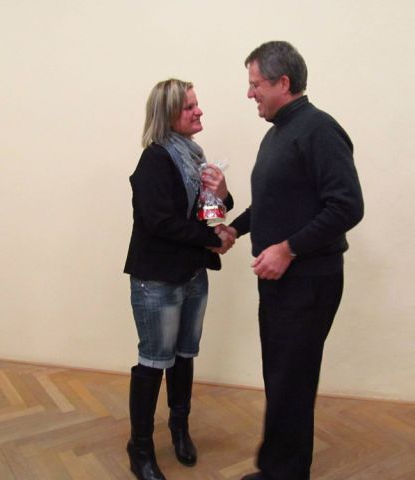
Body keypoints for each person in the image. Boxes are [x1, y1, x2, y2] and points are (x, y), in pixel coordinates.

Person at [223, 41, 364, 480]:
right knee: (283, 379)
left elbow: (347, 206)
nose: (250, 93)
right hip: (284, 281)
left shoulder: (318, 129)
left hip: (308, 280)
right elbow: (272, 203)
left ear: (283, 83)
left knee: (291, 381)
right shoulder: (279, 132)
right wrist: (235, 229)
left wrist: (288, 248)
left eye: (255, 84)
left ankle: (283, 473)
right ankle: (278, 469)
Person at [124, 78, 235, 480]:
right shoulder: (154, 160)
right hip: (157, 279)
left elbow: (207, 210)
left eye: (196, 103)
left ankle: (179, 428)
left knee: (185, 355)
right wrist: (213, 240)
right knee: (155, 361)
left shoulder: (193, 156)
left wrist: (223, 193)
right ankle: (140, 447)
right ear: (168, 114)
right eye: (189, 106)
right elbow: (160, 222)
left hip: (191, 274)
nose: (198, 110)